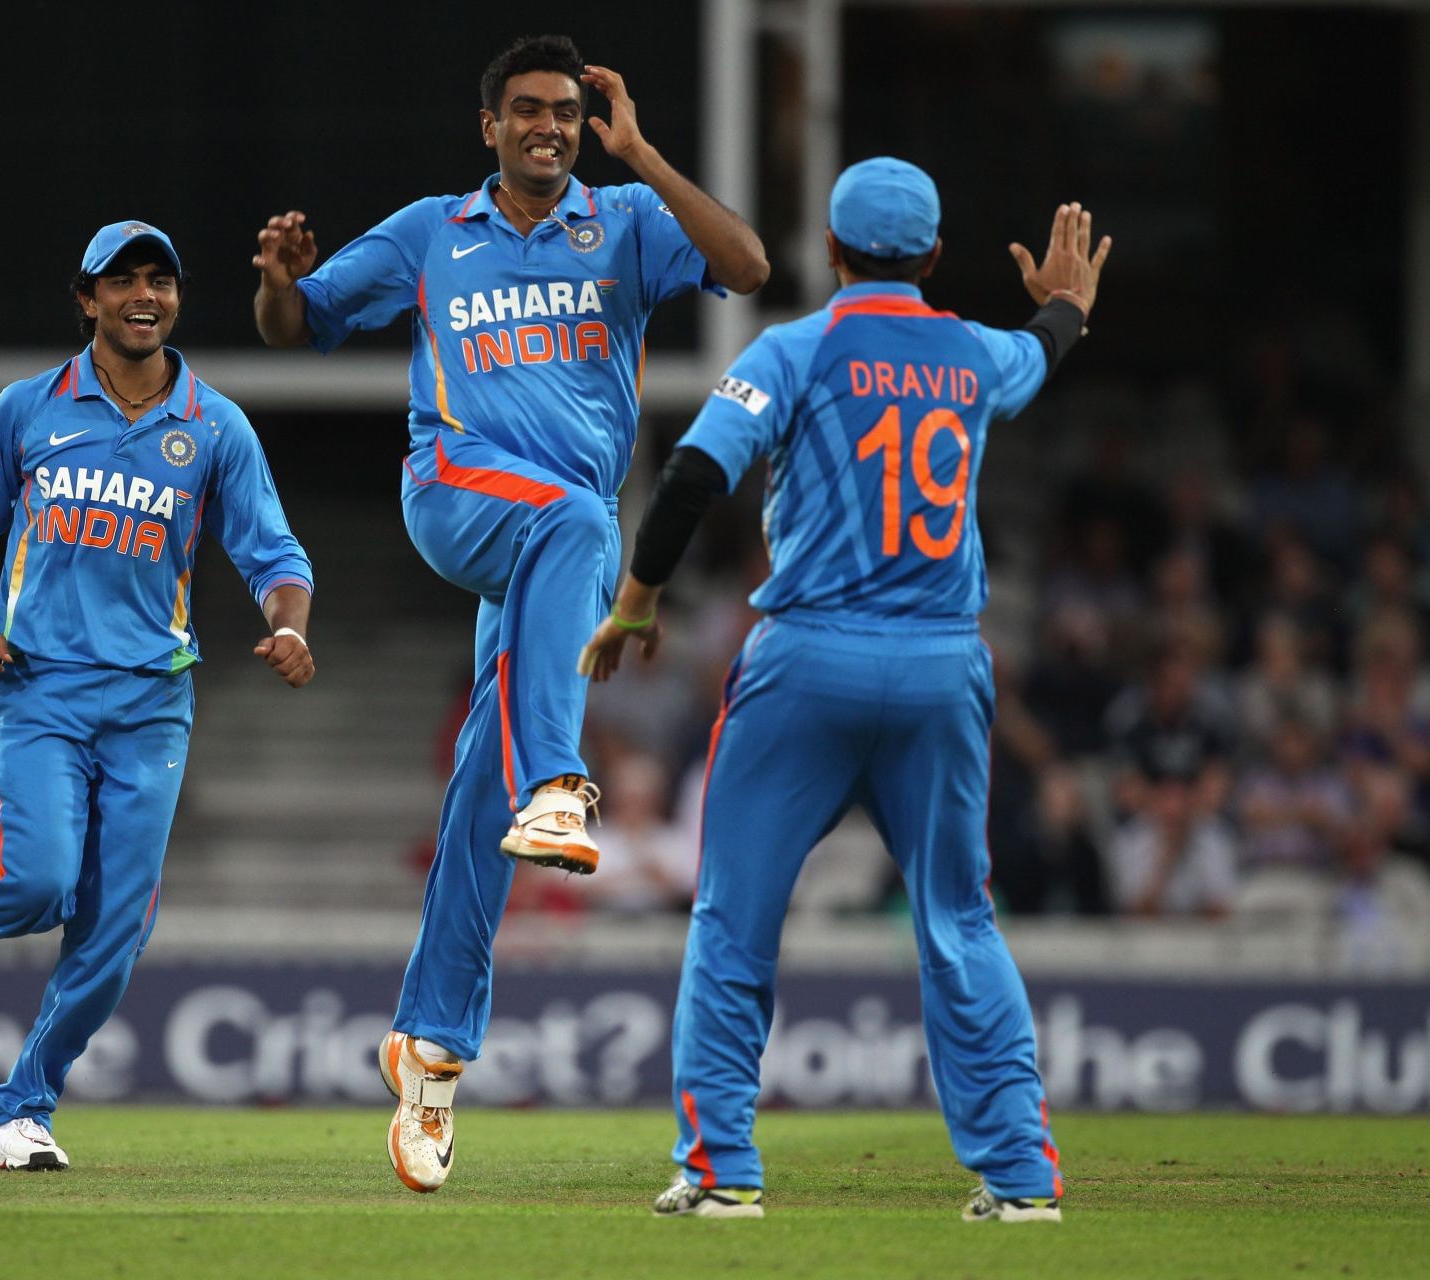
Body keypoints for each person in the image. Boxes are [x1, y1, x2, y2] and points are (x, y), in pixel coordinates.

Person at [251, 34, 767, 1193]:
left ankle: (427, 1054)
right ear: (488, 124)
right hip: (458, 491)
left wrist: (645, 154)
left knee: (481, 783)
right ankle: (556, 781)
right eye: (528, 109)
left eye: (568, 114)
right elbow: (301, 326)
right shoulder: (433, 230)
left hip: (551, 556)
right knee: (587, 521)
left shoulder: (626, 218)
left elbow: (747, 263)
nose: (550, 126)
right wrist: (281, 280)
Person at [580, 159, 1111, 1221]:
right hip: (939, 664)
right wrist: (1067, 309)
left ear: (831, 252)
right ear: (933, 255)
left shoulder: (796, 347)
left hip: (808, 660)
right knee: (960, 917)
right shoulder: (968, 348)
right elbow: (1038, 355)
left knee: (735, 916)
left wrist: (637, 599)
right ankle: (1019, 1176)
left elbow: (691, 476)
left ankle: (722, 1169)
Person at [0, 220, 316, 1172]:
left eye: (161, 280)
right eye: (122, 280)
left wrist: (290, 623)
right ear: (85, 299)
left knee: (116, 928)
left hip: (151, 702)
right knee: (42, 883)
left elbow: (274, 551)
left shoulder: (216, 424)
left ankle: (24, 1109)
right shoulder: (27, 409)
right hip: (40, 688)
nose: (145, 296)